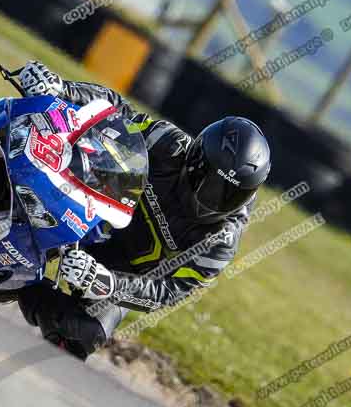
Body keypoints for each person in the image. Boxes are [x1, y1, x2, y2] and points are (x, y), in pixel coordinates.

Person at [15, 61, 271, 360]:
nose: (217, 201)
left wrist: (107, 282)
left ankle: (23, 286)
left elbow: (167, 292)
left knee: (83, 334)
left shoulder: (220, 242)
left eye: (232, 196)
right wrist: (63, 89)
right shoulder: (168, 144)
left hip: (123, 271)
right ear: (195, 160)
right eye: (213, 186)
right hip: (87, 214)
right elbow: (115, 112)